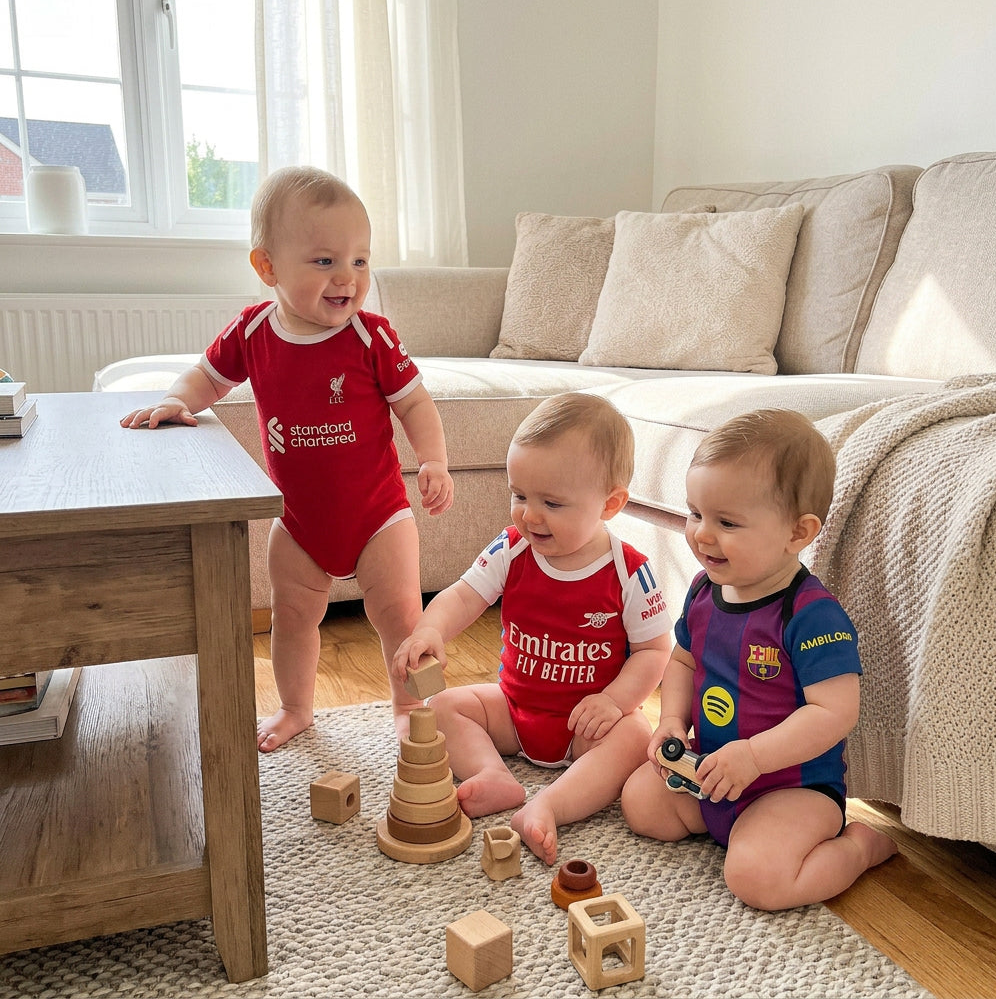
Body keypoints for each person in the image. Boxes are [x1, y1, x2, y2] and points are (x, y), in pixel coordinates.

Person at [122, 166, 454, 752]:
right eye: (325, 261)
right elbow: (208, 377)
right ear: (267, 266)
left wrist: (434, 460)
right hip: (299, 523)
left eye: (360, 260)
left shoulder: (371, 337)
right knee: (292, 618)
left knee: (401, 617)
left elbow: (415, 403)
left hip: (379, 517)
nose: (347, 277)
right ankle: (296, 708)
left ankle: (410, 705)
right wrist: (178, 400)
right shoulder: (252, 332)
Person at [620, 409, 897, 910]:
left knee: (756, 879)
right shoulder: (704, 590)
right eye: (696, 514)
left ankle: (857, 849)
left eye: (726, 522)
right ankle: (734, 829)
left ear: (798, 533)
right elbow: (683, 662)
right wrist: (672, 722)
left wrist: (753, 758)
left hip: (790, 789)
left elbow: (835, 712)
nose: (702, 535)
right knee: (640, 802)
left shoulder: (812, 616)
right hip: (713, 771)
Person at [394, 392, 672, 865]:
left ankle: (550, 805)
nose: (529, 514)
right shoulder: (511, 548)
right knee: (441, 707)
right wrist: (430, 630)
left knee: (633, 738)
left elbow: (654, 651)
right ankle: (493, 775)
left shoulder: (630, 572)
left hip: (586, 726)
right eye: (520, 495)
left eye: (552, 503)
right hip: (513, 709)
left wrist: (614, 701)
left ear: (609, 504)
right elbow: (463, 595)